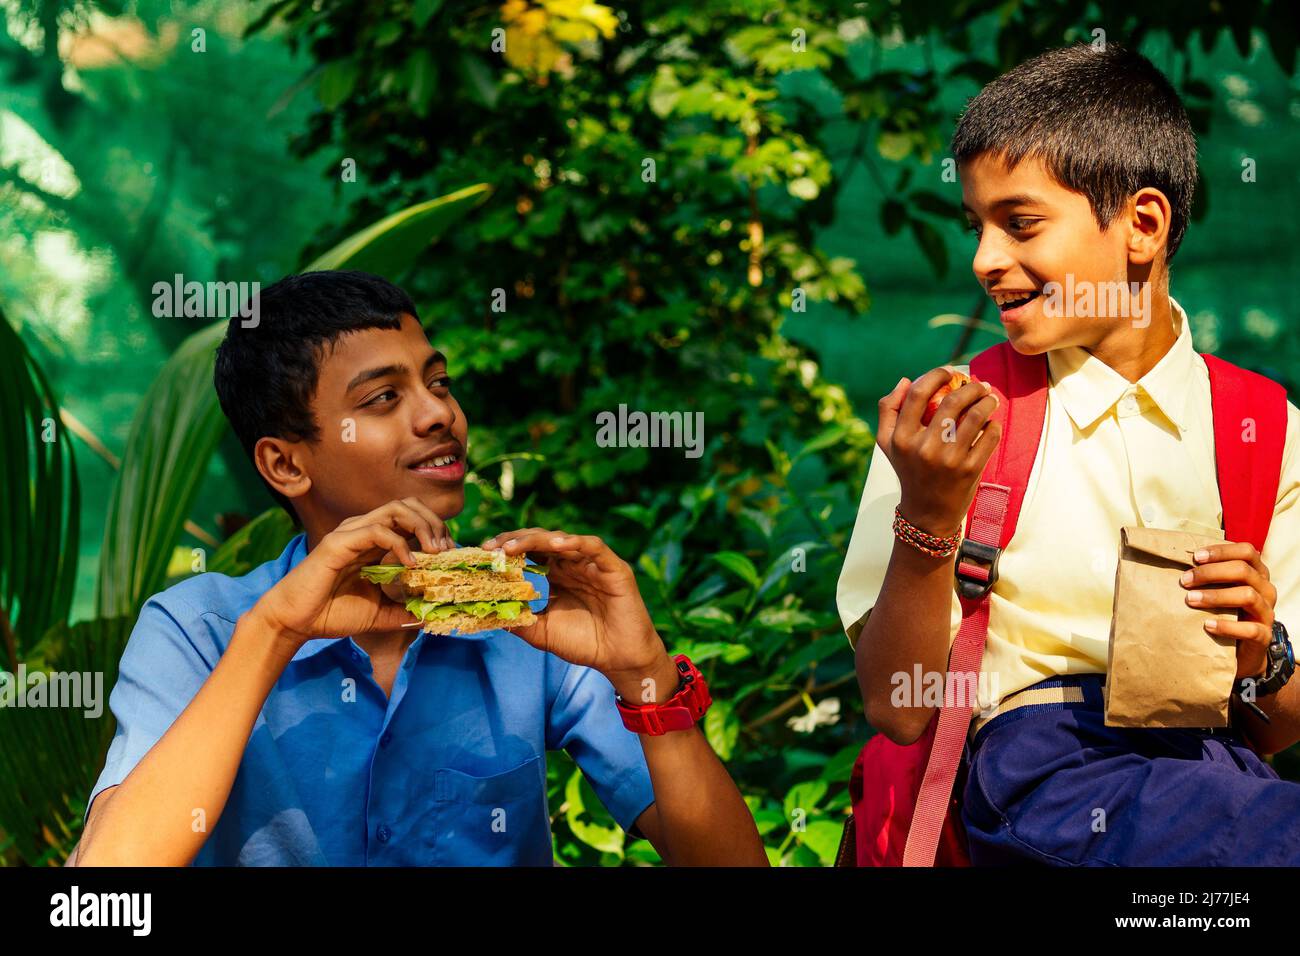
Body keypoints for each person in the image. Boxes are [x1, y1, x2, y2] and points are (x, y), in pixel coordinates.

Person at [75, 270, 765, 866]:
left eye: (440, 383)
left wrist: (647, 679)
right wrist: (275, 632)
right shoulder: (199, 630)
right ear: (286, 464)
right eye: (383, 398)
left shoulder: (531, 621)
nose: (440, 413)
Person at [837, 43, 1300, 865]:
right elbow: (900, 709)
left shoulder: (1264, 426)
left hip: (1212, 775)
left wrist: (1262, 648)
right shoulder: (951, 421)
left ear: (1143, 226)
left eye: (1019, 224)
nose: (984, 261)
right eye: (976, 226)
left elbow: (1280, 727)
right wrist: (929, 515)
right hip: (1034, 770)